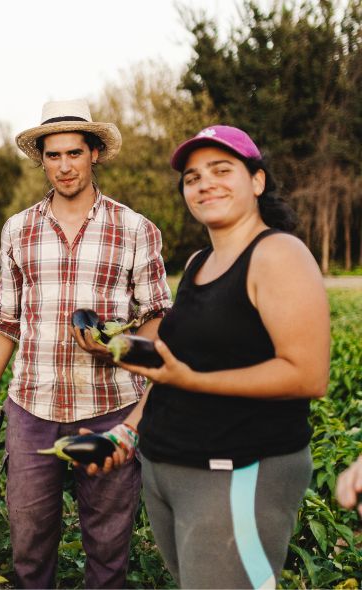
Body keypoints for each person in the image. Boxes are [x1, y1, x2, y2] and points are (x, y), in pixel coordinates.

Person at [95, 125, 330, 588]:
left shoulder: (278, 254)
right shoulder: (200, 261)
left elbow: (307, 375)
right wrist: (127, 430)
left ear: (257, 181)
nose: (205, 183)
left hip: (236, 470)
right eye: (192, 177)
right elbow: (172, 365)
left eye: (222, 170)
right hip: (169, 470)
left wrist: (191, 379)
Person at [0, 99, 172, 588]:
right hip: (32, 409)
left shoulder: (135, 229)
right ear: (42, 159)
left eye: (74, 153)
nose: (64, 166)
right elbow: (4, 322)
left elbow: (157, 321)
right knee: (30, 550)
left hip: (109, 408)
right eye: (53, 156)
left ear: (94, 153)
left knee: (108, 549)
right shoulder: (20, 229)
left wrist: (115, 348)